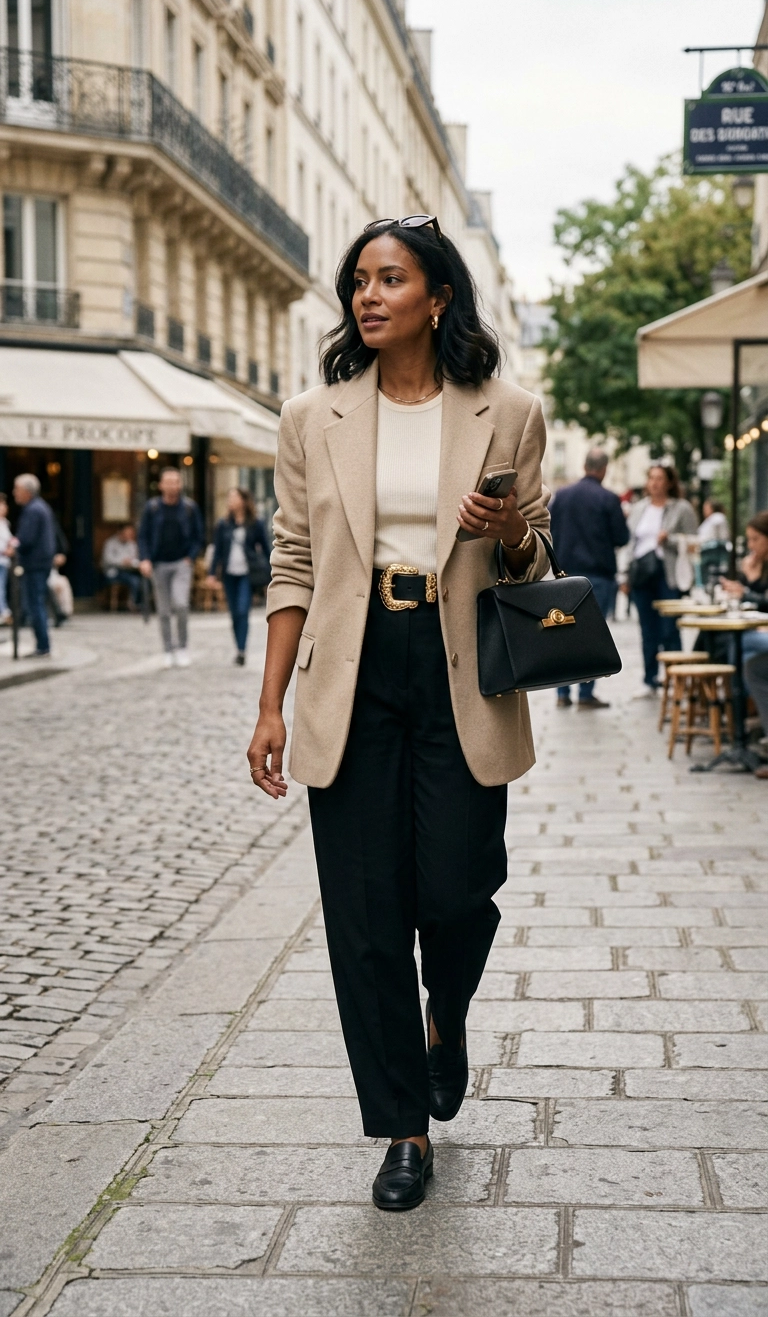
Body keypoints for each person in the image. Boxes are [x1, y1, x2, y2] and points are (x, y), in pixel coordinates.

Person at [246, 215, 551, 1211]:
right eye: (359, 282)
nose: (368, 297)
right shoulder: (313, 416)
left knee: (459, 890)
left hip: (463, 670)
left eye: (390, 279)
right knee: (366, 913)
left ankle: (445, 1016)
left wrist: (511, 529)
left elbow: (536, 566)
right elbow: (294, 561)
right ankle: (403, 1127)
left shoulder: (507, 411)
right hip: (354, 669)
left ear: (438, 296)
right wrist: (270, 705)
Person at [549, 447, 628, 709]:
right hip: (598, 574)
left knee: (562, 634)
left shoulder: (562, 495)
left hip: (564, 573)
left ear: (584, 466)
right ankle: (585, 694)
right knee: (593, 637)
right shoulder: (609, 498)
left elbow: (549, 530)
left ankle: (562, 693)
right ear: (604, 469)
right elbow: (622, 537)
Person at [623, 464, 697, 698]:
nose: (654, 483)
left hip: (668, 576)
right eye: (651, 478)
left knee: (669, 629)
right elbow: (629, 544)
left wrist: (670, 539)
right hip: (642, 575)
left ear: (669, 482)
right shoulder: (639, 508)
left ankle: (677, 679)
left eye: (660, 478)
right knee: (647, 629)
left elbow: (694, 543)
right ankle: (650, 679)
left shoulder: (681, 508)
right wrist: (624, 575)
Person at [138, 468, 204, 667]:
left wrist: (190, 557)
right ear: (160, 485)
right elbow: (143, 536)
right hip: (159, 564)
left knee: (181, 604)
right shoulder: (152, 508)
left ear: (180, 484)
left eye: (175, 481)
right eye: (168, 482)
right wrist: (145, 559)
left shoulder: (189, 508)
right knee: (164, 610)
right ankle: (168, 649)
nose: (172, 485)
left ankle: (182, 647)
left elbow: (198, 536)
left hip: (181, 563)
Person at [721, 511, 768, 780]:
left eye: (755, 539)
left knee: (744, 647)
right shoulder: (759, 564)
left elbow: (761, 601)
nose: (751, 545)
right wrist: (748, 579)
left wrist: (747, 588)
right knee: (749, 660)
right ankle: (742, 715)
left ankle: (737, 712)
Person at [207, 488, 271, 664]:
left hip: (247, 574)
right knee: (234, 613)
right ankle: (238, 647)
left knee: (243, 610)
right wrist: (212, 574)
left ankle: (242, 650)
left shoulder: (255, 523)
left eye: (234, 497)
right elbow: (217, 551)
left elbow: (266, 548)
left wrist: (272, 572)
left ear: (243, 500)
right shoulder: (223, 524)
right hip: (229, 574)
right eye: (229, 498)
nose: (230, 501)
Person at [10, 473, 56, 657]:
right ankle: (42, 644)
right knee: (37, 603)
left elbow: (26, 539)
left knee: (35, 604)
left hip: (34, 564)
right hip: (41, 563)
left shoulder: (33, 510)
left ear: (27, 491)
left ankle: (42, 646)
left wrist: (13, 547)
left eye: (17, 489)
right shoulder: (40, 507)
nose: (14, 493)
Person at [102, 524, 143, 608]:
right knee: (134, 581)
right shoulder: (110, 543)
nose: (129, 535)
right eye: (127, 533)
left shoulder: (131, 544)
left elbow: (135, 558)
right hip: (114, 572)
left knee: (143, 579)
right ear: (120, 533)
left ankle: (137, 603)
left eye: (131, 533)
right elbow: (107, 559)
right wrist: (122, 562)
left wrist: (131, 562)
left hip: (130, 570)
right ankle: (135, 604)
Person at [0, 493, 11, 624]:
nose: (5, 507)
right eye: (2, 504)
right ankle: (4, 611)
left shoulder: (5, 523)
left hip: (4, 562)